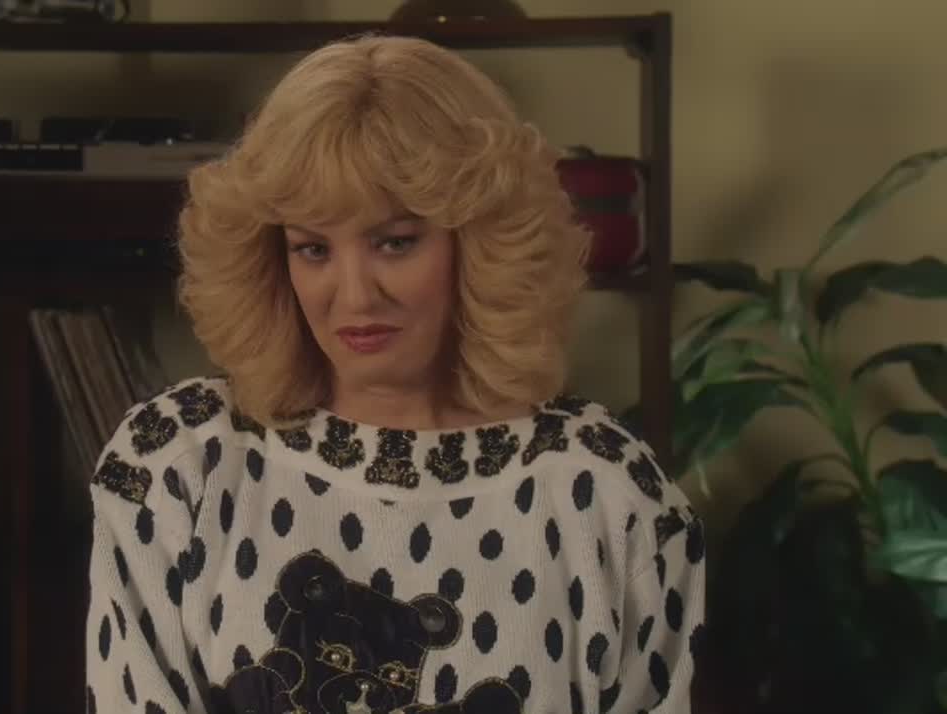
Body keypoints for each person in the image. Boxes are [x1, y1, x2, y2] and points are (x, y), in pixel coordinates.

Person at [85, 33, 704, 714]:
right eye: (312, 249)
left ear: (482, 242)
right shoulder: (178, 467)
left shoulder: (607, 497)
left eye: (395, 242)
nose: (355, 296)